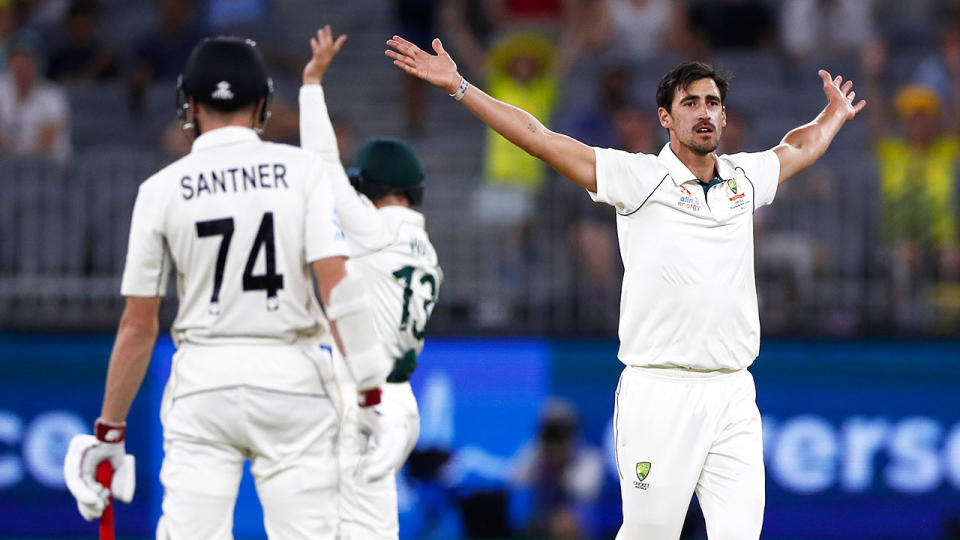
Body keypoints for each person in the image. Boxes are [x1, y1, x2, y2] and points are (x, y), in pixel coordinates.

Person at [386, 35, 865, 539]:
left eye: (713, 103)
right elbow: (540, 137)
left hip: (732, 390)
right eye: (690, 103)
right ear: (666, 118)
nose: (704, 112)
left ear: (724, 117)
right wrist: (461, 87)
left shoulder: (744, 177)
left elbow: (796, 148)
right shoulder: (639, 178)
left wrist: (832, 114)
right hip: (659, 390)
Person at [61, 36, 394, 539]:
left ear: (189, 104)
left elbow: (137, 326)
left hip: (203, 382)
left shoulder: (160, 189)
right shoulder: (303, 171)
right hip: (292, 380)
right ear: (262, 104)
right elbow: (338, 287)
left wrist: (109, 432)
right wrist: (370, 391)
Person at [299, 26, 443, 539]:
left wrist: (312, 84)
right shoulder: (425, 250)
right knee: (372, 524)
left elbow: (321, 162)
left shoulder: (373, 228)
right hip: (401, 400)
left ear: (371, 187)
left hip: (368, 399)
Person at [0, 30, 72, 164]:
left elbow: (45, 146)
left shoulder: (53, 95)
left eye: (27, 59)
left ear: (37, 62)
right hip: (8, 169)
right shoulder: (1, 89)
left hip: (48, 170)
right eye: (17, 58)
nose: (21, 65)